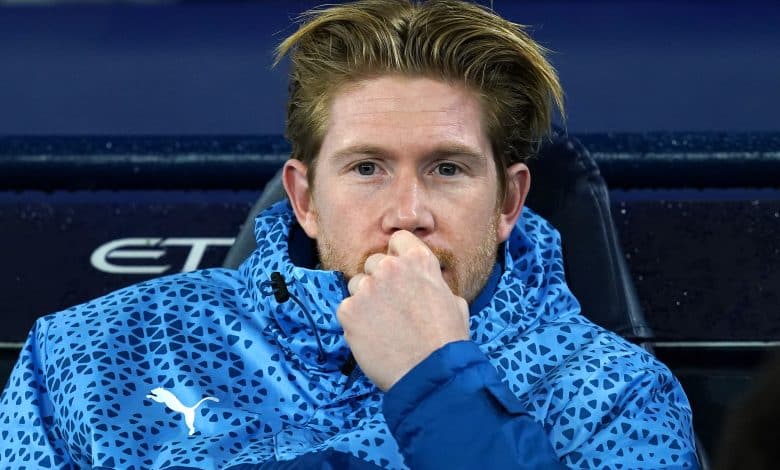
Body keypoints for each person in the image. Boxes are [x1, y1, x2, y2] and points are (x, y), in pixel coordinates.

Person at [0, 0, 699, 468]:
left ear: (508, 201)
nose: (408, 213)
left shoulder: (615, 396)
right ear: (305, 199)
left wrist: (437, 379)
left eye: (448, 168)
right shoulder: (85, 355)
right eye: (367, 168)